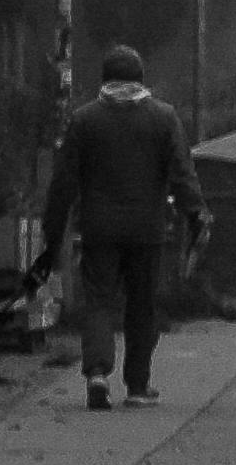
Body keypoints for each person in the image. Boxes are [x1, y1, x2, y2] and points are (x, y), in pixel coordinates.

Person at [29, 47, 200, 411]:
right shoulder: (164, 117)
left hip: (99, 229)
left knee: (99, 302)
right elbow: (182, 173)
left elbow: (63, 186)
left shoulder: (85, 120)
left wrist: (52, 233)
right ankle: (137, 386)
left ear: (105, 80)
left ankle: (96, 373)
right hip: (147, 230)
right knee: (142, 305)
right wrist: (196, 213)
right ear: (140, 78)